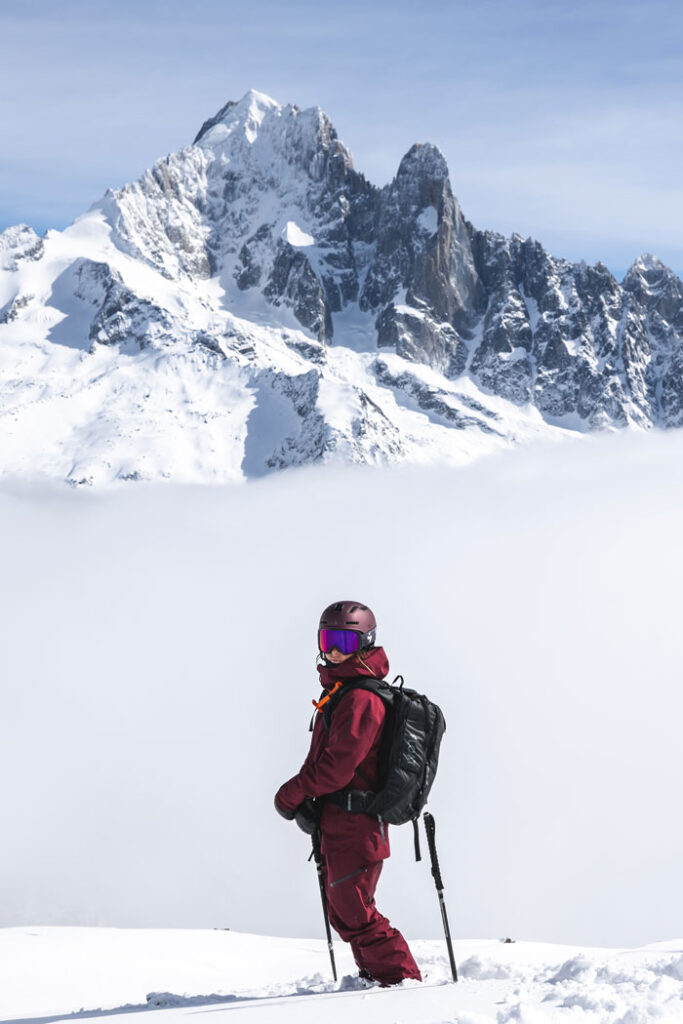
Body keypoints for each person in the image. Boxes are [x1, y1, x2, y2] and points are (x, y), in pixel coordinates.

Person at [274, 600, 422, 987]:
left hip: (356, 824)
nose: (335, 649)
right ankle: (378, 980)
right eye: (328, 639)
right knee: (346, 913)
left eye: (345, 640)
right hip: (341, 822)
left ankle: (403, 985)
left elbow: (337, 768)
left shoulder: (360, 699)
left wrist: (291, 795)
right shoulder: (343, 692)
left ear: (365, 642)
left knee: (355, 912)